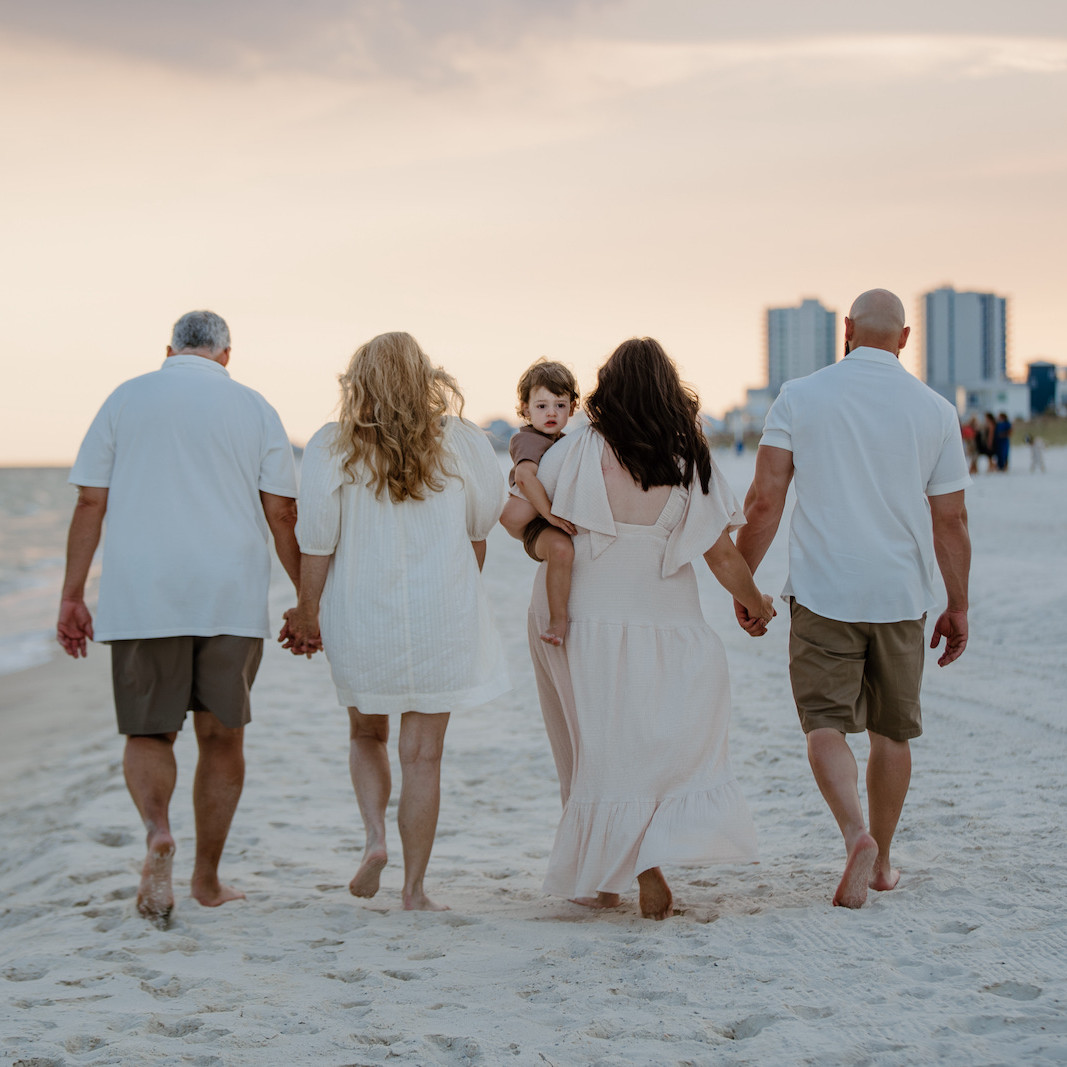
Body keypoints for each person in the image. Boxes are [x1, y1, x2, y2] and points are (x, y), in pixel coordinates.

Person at [56, 310, 300, 925]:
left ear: (168, 349)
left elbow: (90, 499)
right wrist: (308, 600)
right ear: (225, 355)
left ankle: (159, 831)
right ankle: (207, 880)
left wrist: (72, 595)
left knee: (149, 730)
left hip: (143, 593)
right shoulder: (253, 406)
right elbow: (282, 513)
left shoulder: (126, 397)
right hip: (229, 593)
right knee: (221, 736)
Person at [734, 289, 971, 909]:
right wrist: (958, 603)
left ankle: (854, 835)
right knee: (892, 734)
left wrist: (745, 583)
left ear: (846, 330)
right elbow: (952, 521)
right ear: (905, 337)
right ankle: (885, 861)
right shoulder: (936, 410)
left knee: (825, 725)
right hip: (899, 595)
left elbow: (765, 500)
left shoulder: (799, 396)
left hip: (822, 590)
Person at [528, 337, 775, 920]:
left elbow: (530, 516)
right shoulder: (688, 457)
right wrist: (755, 604)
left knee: (591, 743)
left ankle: (615, 872)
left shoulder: (577, 449)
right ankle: (630, 864)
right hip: (669, 623)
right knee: (662, 743)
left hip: (582, 617)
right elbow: (719, 554)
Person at [282, 332, 509, 911]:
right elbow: (482, 524)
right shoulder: (461, 440)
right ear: (427, 375)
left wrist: (307, 613)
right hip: (442, 614)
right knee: (424, 756)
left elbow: (317, 541)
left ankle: (376, 839)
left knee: (366, 733)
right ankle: (414, 890)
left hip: (360, 612)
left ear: (358, 381)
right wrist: (460, 590)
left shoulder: (333, 445)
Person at [499, 359, 580, 646]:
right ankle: (557, 621)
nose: (551, 413)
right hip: (533, 521)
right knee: (560, 550)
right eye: (542, 406)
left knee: (561, 550)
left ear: (572, 408)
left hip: (541, 522)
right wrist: (550, 514)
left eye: (560, 405)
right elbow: (524, 476)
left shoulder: (563, 442)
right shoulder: (529, 439)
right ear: (525, 409)